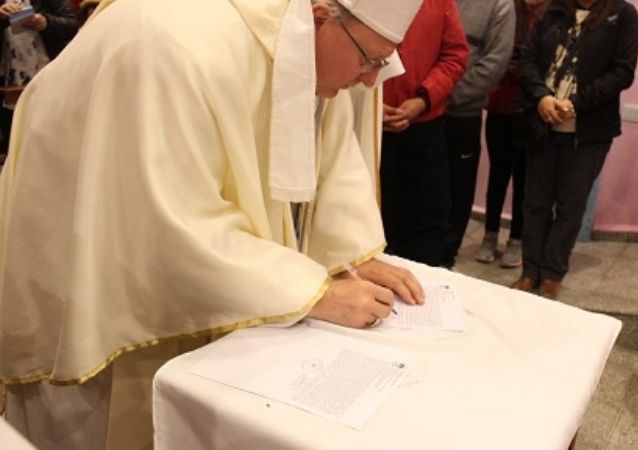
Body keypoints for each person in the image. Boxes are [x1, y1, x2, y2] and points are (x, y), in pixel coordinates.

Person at [0, 0, 426, 448]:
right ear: (320, 17)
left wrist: (346, 254)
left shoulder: (305, 39)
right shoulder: (173, 44)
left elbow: (327, 149)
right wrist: (313, 293)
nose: (372, 78)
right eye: (371, 60)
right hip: (96, 279)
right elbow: (165, 222)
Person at [511, 0, 638, 299]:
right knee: (535, 203)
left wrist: (575, 104)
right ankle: (530, 272)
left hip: (589, 132)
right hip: (542, 126)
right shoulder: (554, 9)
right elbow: (527, 56)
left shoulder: (623, 14)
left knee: (570, 206)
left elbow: (623, 72)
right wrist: (542, 97)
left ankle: (553, 274)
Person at [380, 0, 468, 267]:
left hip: (425, 124)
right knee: (372, 212)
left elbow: (455, 55)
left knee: (429, 215)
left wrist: (423, 99)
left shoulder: (440, 3)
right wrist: (368, 101)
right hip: (368, 125)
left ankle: (424, 288)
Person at [439, 0, 515, 269]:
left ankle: (444, 261)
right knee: (415, 190)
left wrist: (438, 98)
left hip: (460, 114)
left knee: (456, 195)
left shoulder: (499, 5)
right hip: (417, 112)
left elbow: (494, 64)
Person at [476, 0, 548, 268]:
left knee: (524, 179)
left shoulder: (551, 15)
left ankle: (517, 241)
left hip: (532, 110)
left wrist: (521, 69)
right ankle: (489, 235)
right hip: (499, 105)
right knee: (498, 174)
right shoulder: (506, 9)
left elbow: (545, 64)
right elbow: (493, 54)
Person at [0, 0, 79, 163]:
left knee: (50, 135)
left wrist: (46, 22)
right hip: (8, 81)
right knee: (14, 142)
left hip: (48, 72)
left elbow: (73, 25)